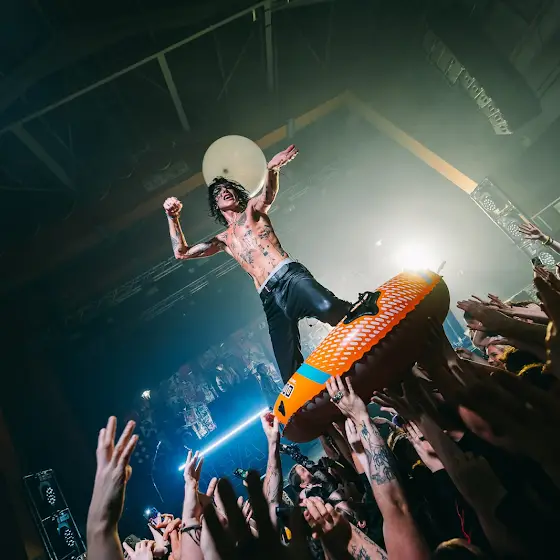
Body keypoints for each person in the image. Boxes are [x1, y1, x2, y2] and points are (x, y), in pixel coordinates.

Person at [163, 145, 350, 383]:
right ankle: (321, 389)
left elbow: (267, 195)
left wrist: (271, 168)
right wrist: (172, 217)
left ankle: (364, 317)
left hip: (289, 278)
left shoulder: (252, 210)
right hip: (269, 299)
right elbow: (181, 253)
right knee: (288, 369)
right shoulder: (223, 239)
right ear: (216, 204)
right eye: (219, 191)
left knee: (328, 307)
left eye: (228, 188)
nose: (225, 191)